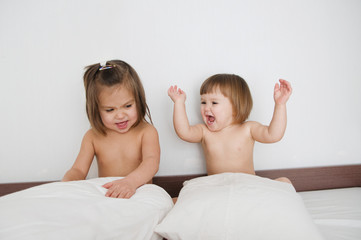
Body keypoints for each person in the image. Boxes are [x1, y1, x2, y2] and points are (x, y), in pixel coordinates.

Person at [168, 74, 292, 186]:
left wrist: (280, 105)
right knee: (186, 195)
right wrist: (179, 103)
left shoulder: (248, 129)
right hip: (218, 187)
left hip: (247, 186)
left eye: (214, 103)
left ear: (235, 107)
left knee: (284, 182)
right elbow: (184, 132)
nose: (206, 108)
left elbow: (273, 135)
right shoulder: (204, 131)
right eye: (203, 102)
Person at [62, 60, 160, 199]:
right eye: (110, 110)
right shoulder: (92, 137)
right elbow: (78, 170)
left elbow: (151, 162)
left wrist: (130, 182)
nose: (120, 115)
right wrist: (66, 185)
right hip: (109, 197)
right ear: (97, 110)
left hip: (139, 194)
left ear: (138, 100)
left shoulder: (146, 132)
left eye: (127, 106)